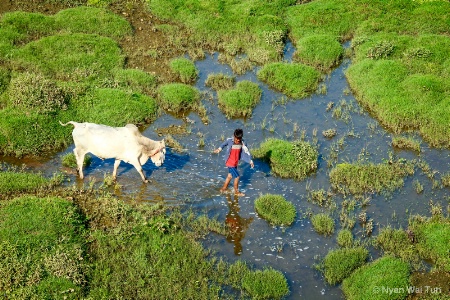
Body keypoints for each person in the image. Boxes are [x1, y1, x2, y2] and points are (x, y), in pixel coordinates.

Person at [213, 128, 254, 196]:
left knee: (230, 176)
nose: (237, 140)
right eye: (236, 139)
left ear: (241, 137)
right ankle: (236, 192)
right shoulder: (229, 140)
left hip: (235, 162)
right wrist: (219, 149)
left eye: (239, 139)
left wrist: (250, 161)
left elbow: (247, 152)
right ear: (234, 136)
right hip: (229, 162)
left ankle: (223, 189)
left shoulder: (243, 143)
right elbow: (223, 145)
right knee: (237, 177)